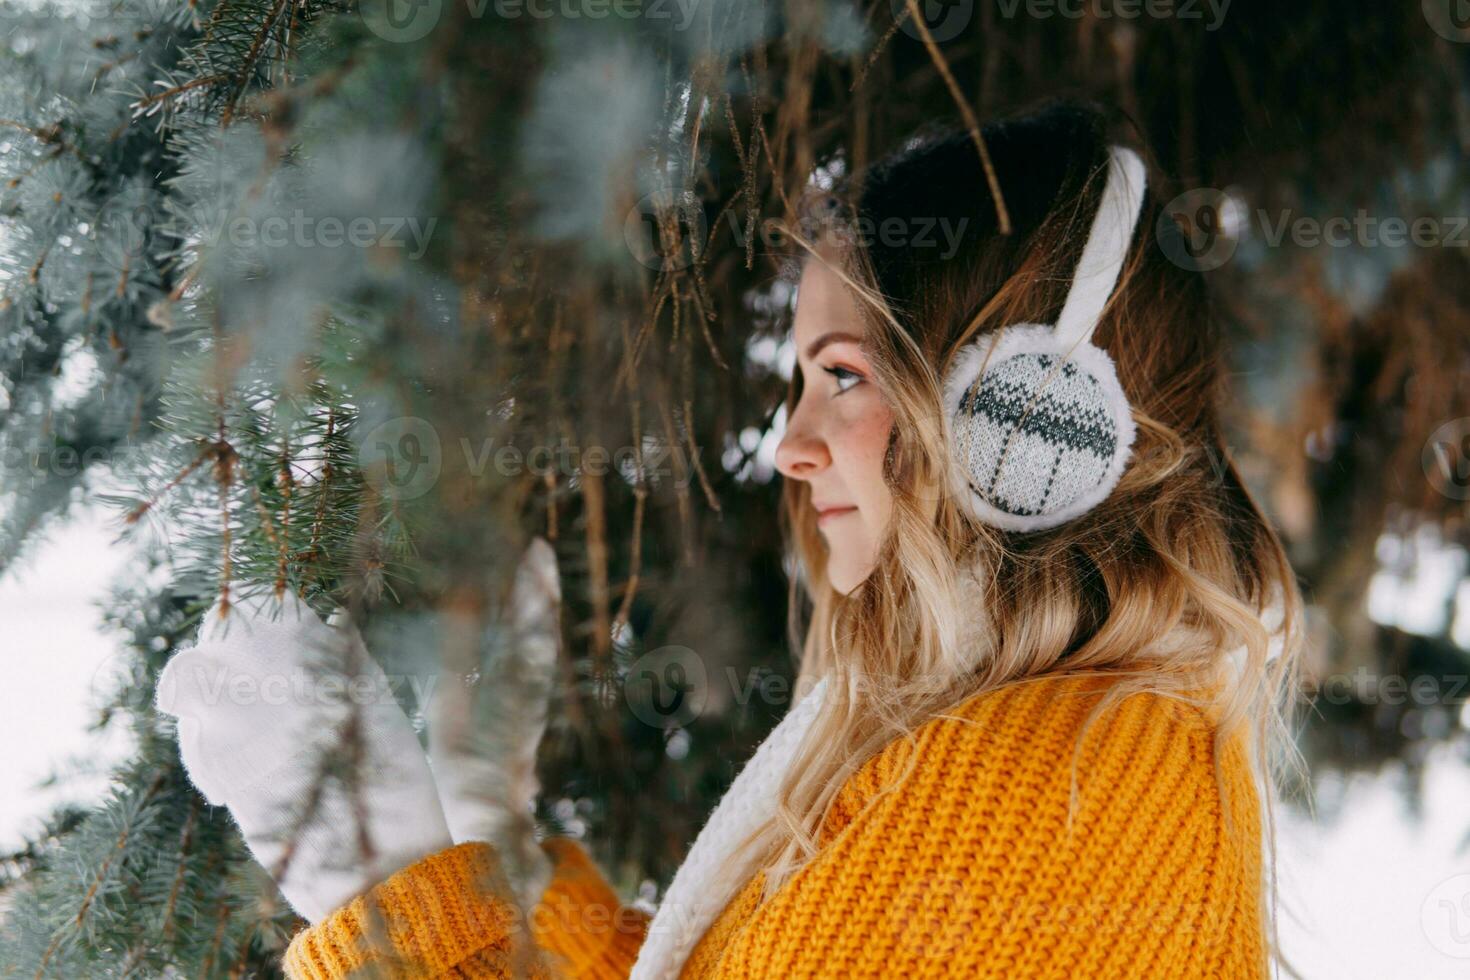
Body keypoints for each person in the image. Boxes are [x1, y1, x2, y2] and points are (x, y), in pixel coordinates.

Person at [155, 98, 1305, 979]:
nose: (790, 447)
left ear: (1024, 414)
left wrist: (384, 880)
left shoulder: (1058, 784)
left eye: (843, 375)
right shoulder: (1068, 735)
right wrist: (485, 821)